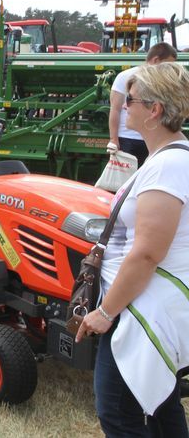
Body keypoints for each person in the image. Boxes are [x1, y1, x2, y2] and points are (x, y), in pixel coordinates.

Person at [75, 62, 189, 437]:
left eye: (131, 101)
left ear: (154, 110)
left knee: (118, 414)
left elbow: (146, 253)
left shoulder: (168, 167)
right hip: (147, 302)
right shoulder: (166, 161)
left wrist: (105, 312)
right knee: (158, 406)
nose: (124, 107)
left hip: (143, 309)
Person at [108, 43, 177, 166]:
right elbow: (115, 109)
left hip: (153, 139)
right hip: (128, 139)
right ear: (156, 60)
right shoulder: (125, 77)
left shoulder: (164, 81)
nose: (169, 69)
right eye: (168, 64)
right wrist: (114, 139)